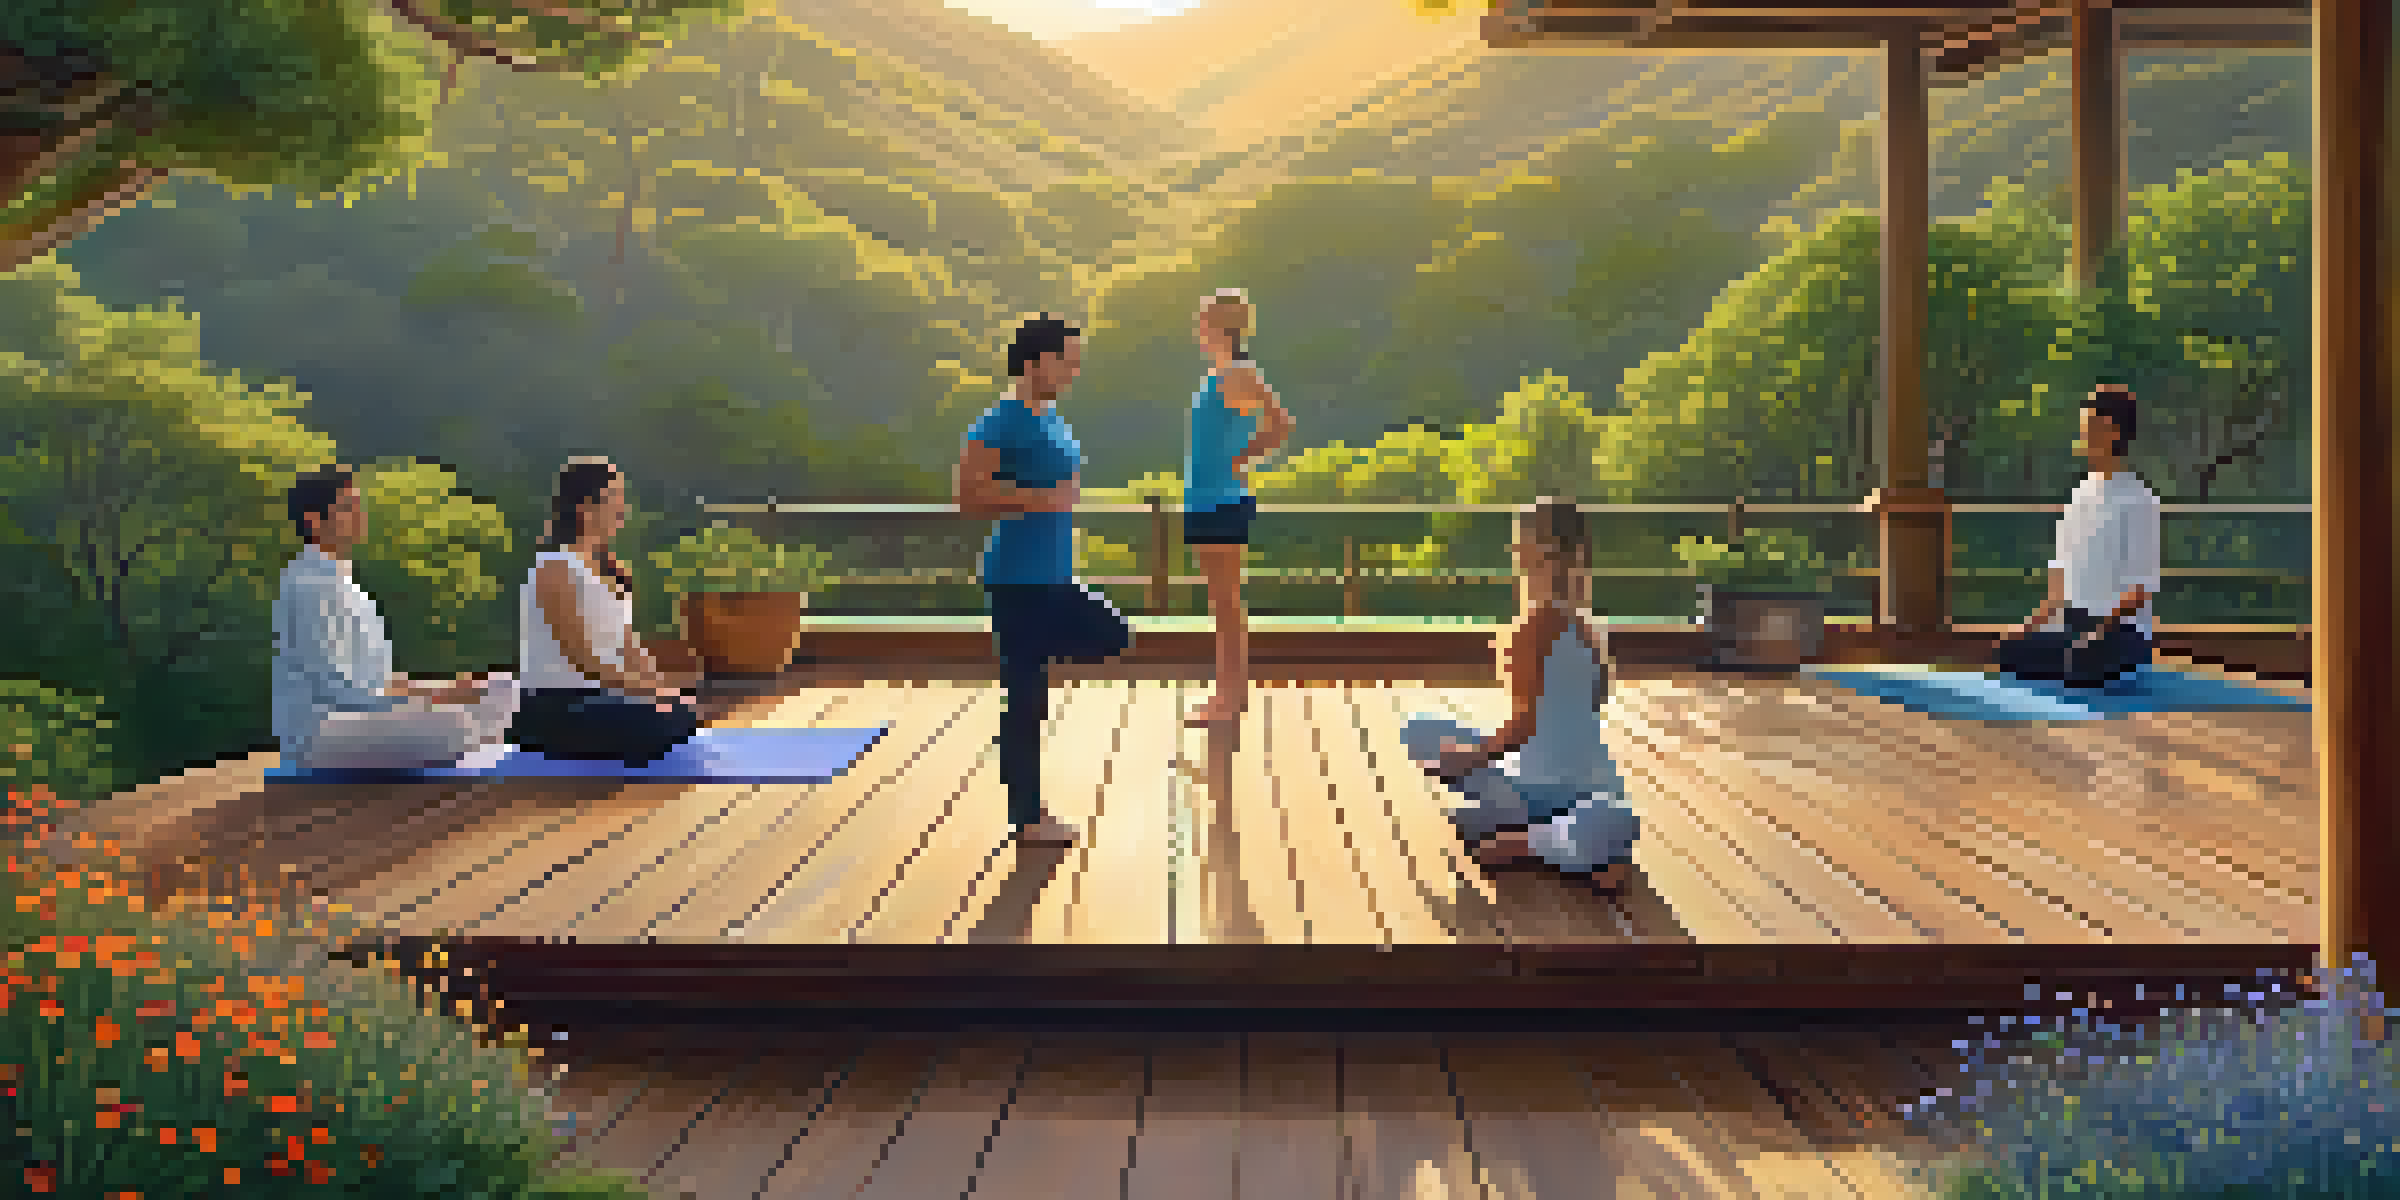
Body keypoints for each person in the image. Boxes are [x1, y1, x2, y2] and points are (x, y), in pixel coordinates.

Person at [956, 314, 1135, 849]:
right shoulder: (1000, 422)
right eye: (1067, 361)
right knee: (1027, 698)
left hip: (1055, 574)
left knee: (1115, 635)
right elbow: (969, 497)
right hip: (1018, 578)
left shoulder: (1052, 418)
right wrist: (1037, 499)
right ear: (1035, 362)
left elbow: (1065, 483)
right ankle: (1028, 818)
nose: (1074, 371)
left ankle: (1027, 673)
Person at [1401, 498, 1638, 892]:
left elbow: (1524, 726)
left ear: (1540, 551)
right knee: (1615, 822)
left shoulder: (1537, 625)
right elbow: (1573, 717)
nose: (1513, 552)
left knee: (1423, 735)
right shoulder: (1590, 626)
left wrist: (1469, 758)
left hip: (1533, 791)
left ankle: (1526, 841)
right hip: (1592, 791)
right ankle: (1567, 847)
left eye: (1519, 542)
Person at [272, 466, 522, 770]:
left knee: (503, 687)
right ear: (314, 521)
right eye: (347, 508)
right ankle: (469, 755)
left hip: (368, 714)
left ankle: (471, 753)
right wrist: (437, 697)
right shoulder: (308, 587)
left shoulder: (348, 584)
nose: (360, 516)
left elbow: (380, 678)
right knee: (453, 724)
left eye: (358, 506)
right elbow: (340, 690)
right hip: (322, 730)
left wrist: (444, 688)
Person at [509, 457, 704, 766]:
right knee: (656, 721)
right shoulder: (555, 567)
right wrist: (649, 690)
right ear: (585, 509)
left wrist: (663, 689)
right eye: (614, 498)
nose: (622, 508)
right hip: (557, 706)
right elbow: (582, 659)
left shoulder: (611, 569)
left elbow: (628, 644)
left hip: (605, 695)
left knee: (681, 713)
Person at [1994, 384, 2162, 688]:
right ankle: (2074, 658)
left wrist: (2099, 630)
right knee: (2010, 653)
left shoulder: (2139, 499)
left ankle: (2091, 661)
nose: (2083, 437)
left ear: (2113, 432)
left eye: (2090, 429)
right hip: (2073, 623)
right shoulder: (2079, 495)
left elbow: (2141, 589)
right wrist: (2030, 625)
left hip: (2121, 630)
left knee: (2080, 660)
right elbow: (2060, 576)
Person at [1182, 288, 1295, 727]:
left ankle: (1228, 699)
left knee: (1226, 603)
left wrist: (1241, 459)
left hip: (1222, 500)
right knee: (1221, 602)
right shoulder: (1219, 375)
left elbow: (1280, 423)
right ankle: (1228, 694)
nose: (1198, 328)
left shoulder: (1238, 372)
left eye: (1203, 320)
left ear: (1220, 326)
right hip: (1207, 499)